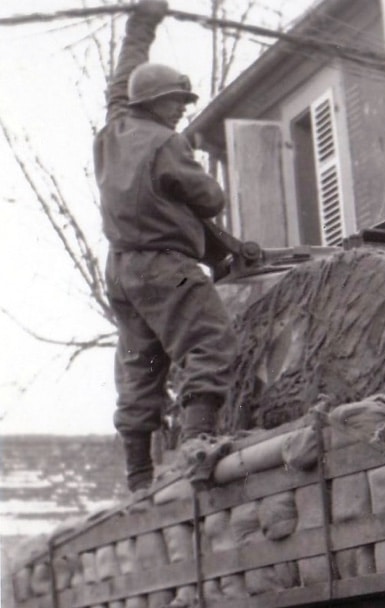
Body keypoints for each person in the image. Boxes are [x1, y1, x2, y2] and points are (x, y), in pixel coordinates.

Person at [95, 0, 234, 491]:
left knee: (143, 364)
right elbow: (210, 198)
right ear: (153, 102)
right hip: (166, 270)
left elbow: (123, 76)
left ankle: (137, 478)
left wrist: (143, 21)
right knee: (209, 342)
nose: (182, 108)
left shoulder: (113, 130)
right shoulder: (166, 142)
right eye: (177, 99)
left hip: (123, 274)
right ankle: (198, 442)